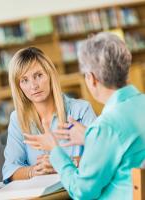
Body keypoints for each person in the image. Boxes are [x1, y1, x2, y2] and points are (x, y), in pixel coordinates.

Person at [24, 32, 145, 199]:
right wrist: (90, 136)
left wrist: (54, 150)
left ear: (91, 78)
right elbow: (125, 145)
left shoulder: (106, 127)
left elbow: (81, 191)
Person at [2, 47, 96, 183]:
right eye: (24, 80)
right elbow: (10, 170)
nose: (33, 86)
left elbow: (102, 156)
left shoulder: (81, 110)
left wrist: (64, 162)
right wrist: (34, 171)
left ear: (50, 75)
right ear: (19, 87)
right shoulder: (17, 119)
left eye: (38, 76)